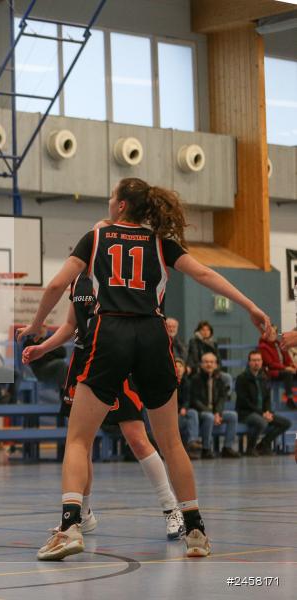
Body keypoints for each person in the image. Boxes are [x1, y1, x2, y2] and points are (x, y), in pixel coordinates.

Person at [17, 177, 270, 561]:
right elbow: (205, 274)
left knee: (79, 438)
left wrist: (36, 326)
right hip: (153, 333)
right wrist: (249, 305)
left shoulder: (96, 236)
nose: (108, 200)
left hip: (110, 331)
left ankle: (69, 527)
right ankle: (196, 530)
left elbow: (55, 285)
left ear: (120, 206)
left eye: (111, 195)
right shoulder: (159, 241)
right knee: (171, 442)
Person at [23, 268, 184, 541]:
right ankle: (82, 515)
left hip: (116, 359)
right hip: (85, 360)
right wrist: (43, 348)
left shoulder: (117, 275)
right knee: (80, 442)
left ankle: (172, 510)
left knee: (137, 437)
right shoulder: (76, 280)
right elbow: (70, 326)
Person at [236, 350, 292, 455]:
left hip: (262, 412)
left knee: (286, 423)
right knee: (261, 422)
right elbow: (244, 402)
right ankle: (250, 448)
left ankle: (263, 445)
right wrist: (262, 414)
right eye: (254, 360)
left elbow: (267, 399)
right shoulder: (241, 378)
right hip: (246, 412)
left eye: (258, 360)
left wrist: (268, 412)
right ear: (249, 362)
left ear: (262, 362)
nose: (256, 363)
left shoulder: (264, 378)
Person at [189, 352, 239, 459]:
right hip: (200, 412)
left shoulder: (220, 379)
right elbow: (195, 400)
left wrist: (218, 413)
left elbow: (222, 399)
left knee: (233, 415)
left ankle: (227, 448)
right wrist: (211, 413)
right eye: (206, 362)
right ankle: (206, 449)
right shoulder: (195, 379)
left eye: (211, 362)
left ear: (216, 365)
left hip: (214, 411)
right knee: (209, 417)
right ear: (201, 364)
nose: (209, 365)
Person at [186, 321, 234, 397]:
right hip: (199, 370)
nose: (205, 332)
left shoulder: (214, 344)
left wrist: (216, 370)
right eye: (203, 330)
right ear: (198, 331)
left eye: (208, 330)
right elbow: (194, 359)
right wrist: (205, 368)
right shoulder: (193, 342)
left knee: (227, 377)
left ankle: (224, 397)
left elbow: (219, 361)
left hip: (213, 371)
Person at [21, 325, 68, 394]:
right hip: (40, 370)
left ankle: (71, 390)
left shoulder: (50, 339)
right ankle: (64, 390)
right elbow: (37, 358)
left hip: (53, 367)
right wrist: (49, 349)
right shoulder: (29, 342)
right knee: (60, 363)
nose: (44, 328)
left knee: (69, 368)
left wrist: (45, 350)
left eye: (45, 326)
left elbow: (63, 353)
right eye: (42, 326)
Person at [258, 325, 296, 409]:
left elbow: (287, 358)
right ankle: (289, 399)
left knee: (292, 372)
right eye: (270, 333)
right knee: (287, 374)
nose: (272, 335)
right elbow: (270, 364)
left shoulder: (279, 344)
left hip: (283, 370)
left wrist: (293, 366)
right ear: (266, 334)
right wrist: (285, 368)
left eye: (274, 333)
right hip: (271, 372)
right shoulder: (263, 346)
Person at [175, 358, 201, 459]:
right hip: (171, 416)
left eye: (180, 366)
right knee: (190, 422)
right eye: (175, 366)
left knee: (192, 413)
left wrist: (184, 408)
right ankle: (191, 446)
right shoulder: (169, 383)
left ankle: (192, 442)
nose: (178, 369)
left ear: (185, 368)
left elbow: (188, 399)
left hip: (182, 415)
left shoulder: (187, 382)